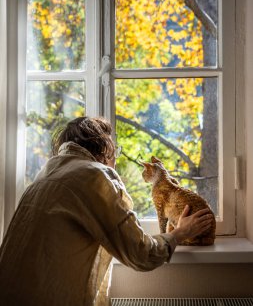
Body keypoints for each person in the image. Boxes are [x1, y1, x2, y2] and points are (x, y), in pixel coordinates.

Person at [0, 116, 213, 306]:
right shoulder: (94, 176)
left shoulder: (45, 175)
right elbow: (141, 253)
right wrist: (179, 233)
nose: (115, 161)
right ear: (104, 150)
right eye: (115, 152)